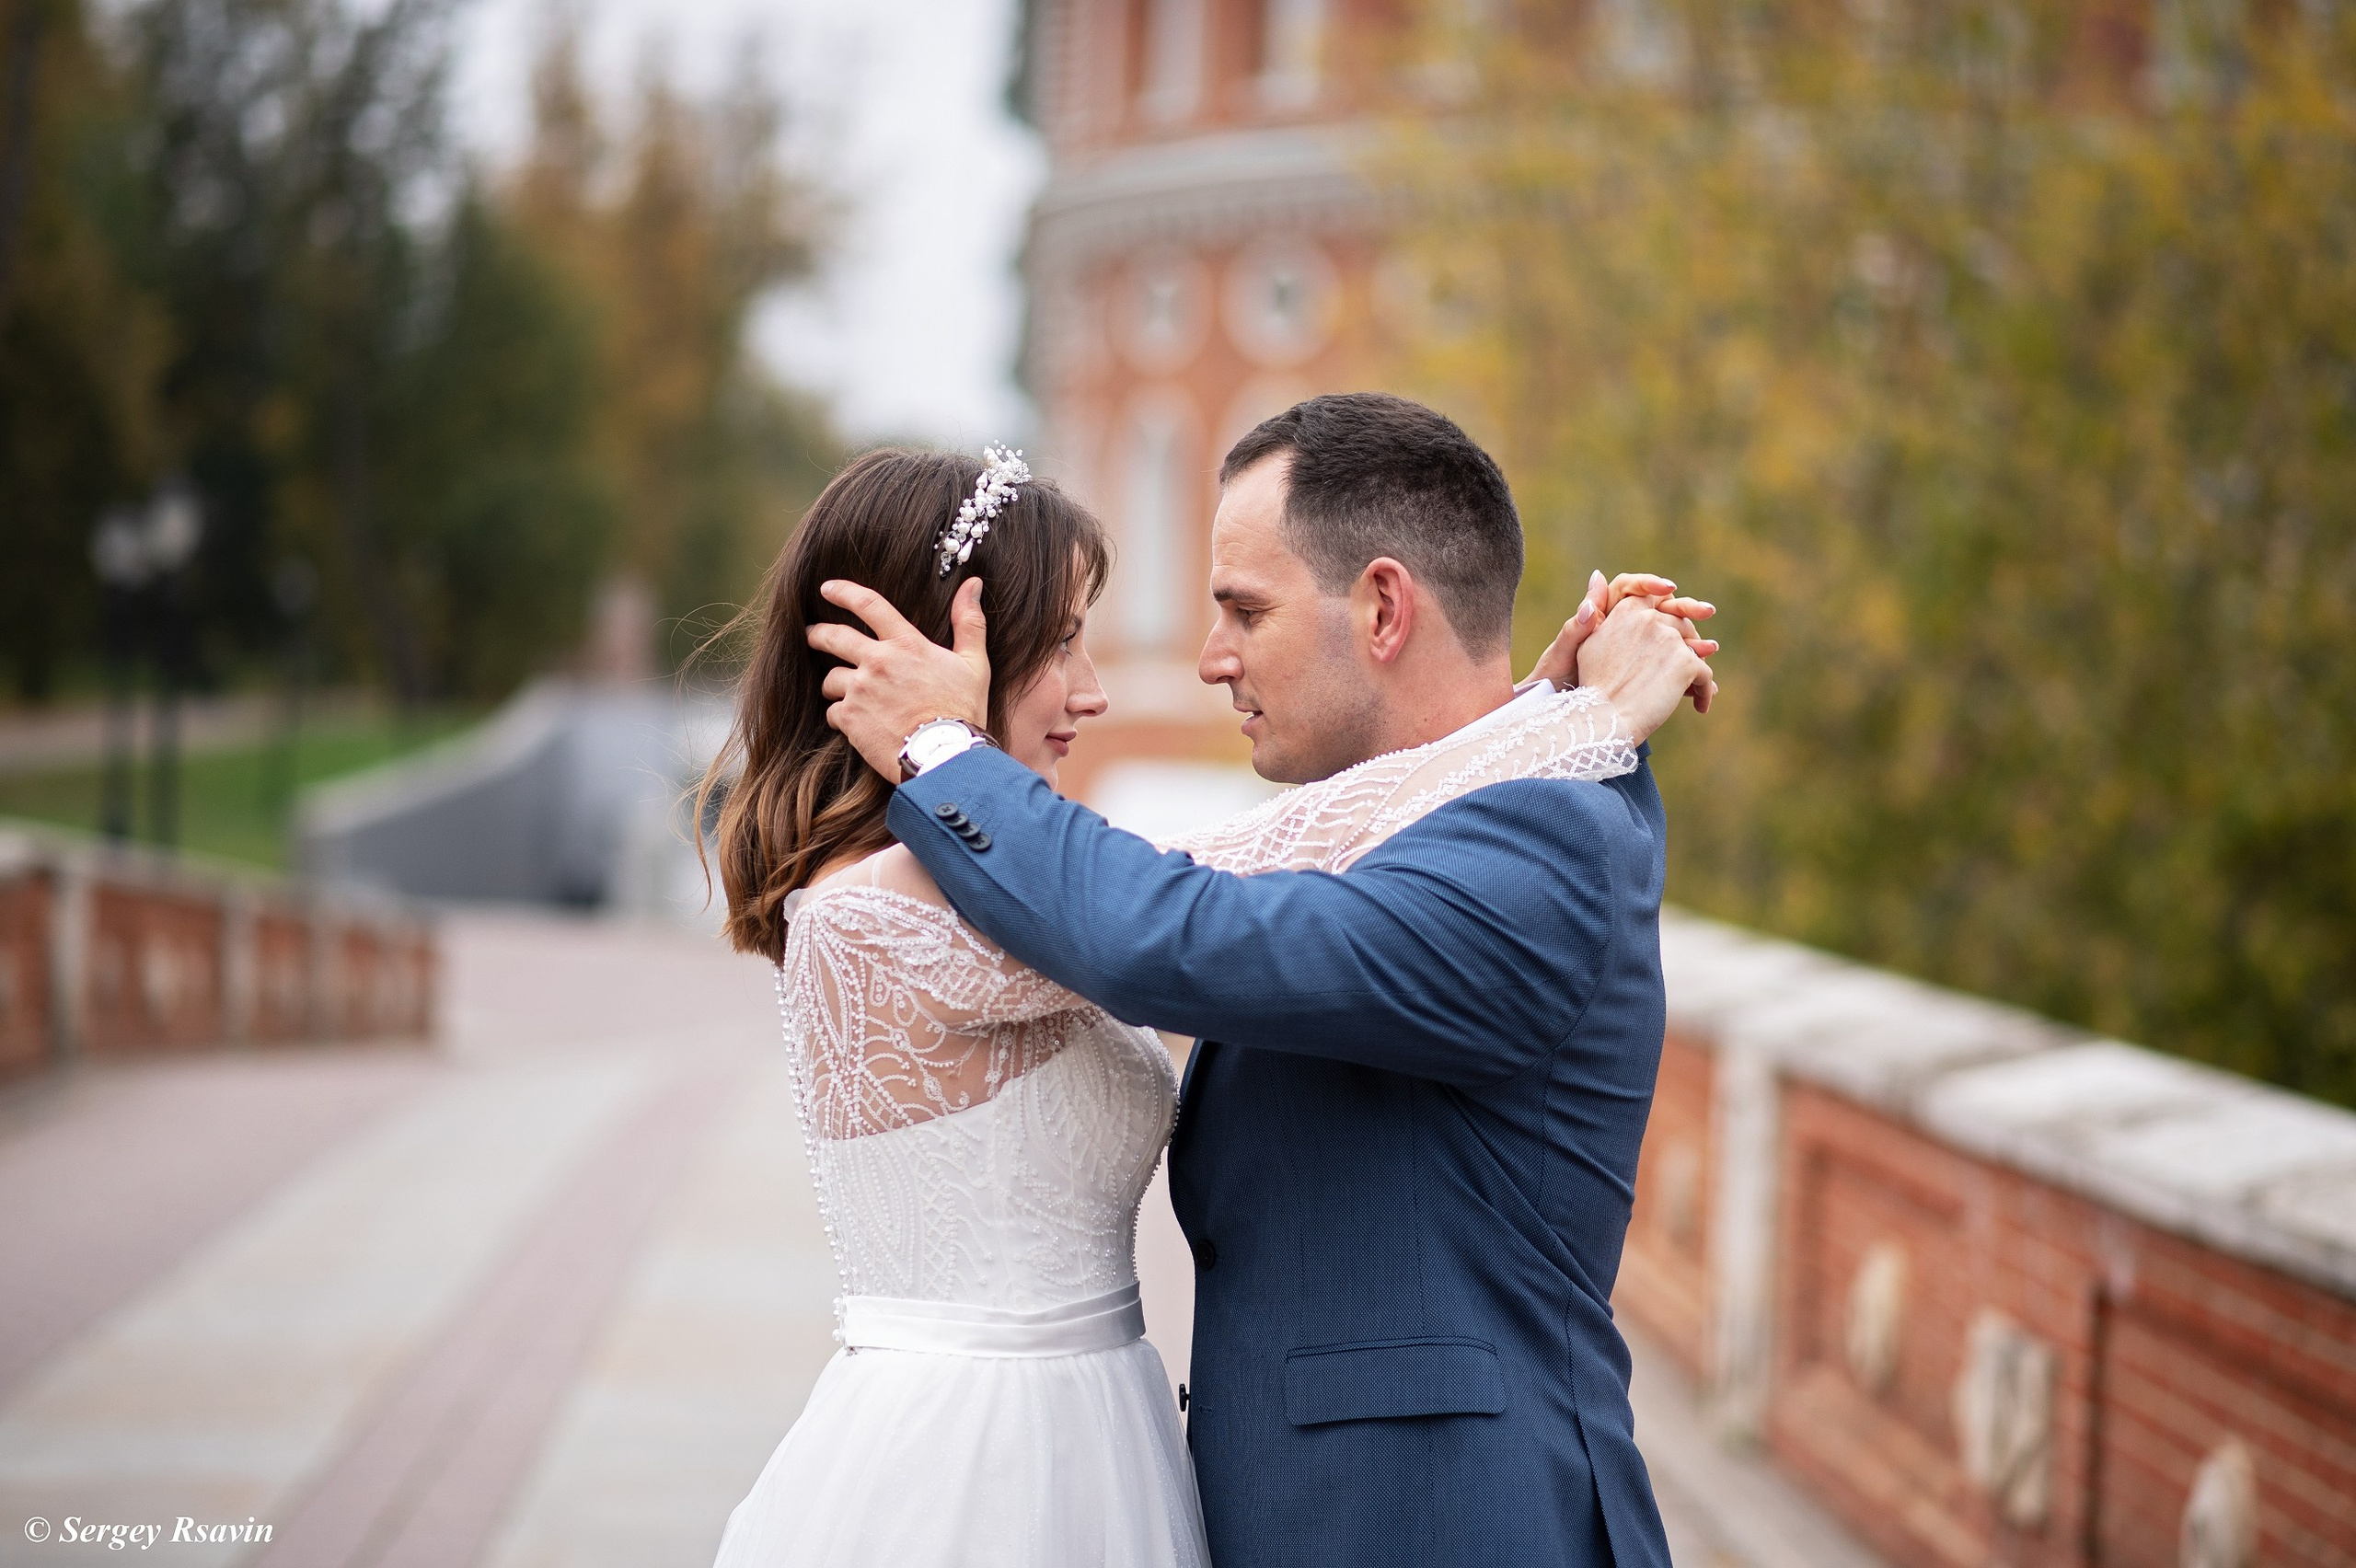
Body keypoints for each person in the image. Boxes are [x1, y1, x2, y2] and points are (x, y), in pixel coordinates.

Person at [705, 410, 1712, 1567]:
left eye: (1243, 609)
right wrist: (1553, 718)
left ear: (1382, 609)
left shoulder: (1546, 844)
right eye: (1064, 643)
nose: (1205, 658)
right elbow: (1216, 880)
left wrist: (942, 747)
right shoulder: (874, 910)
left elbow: (1170, 923)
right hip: (999, 1472)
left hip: (1444, 1519)